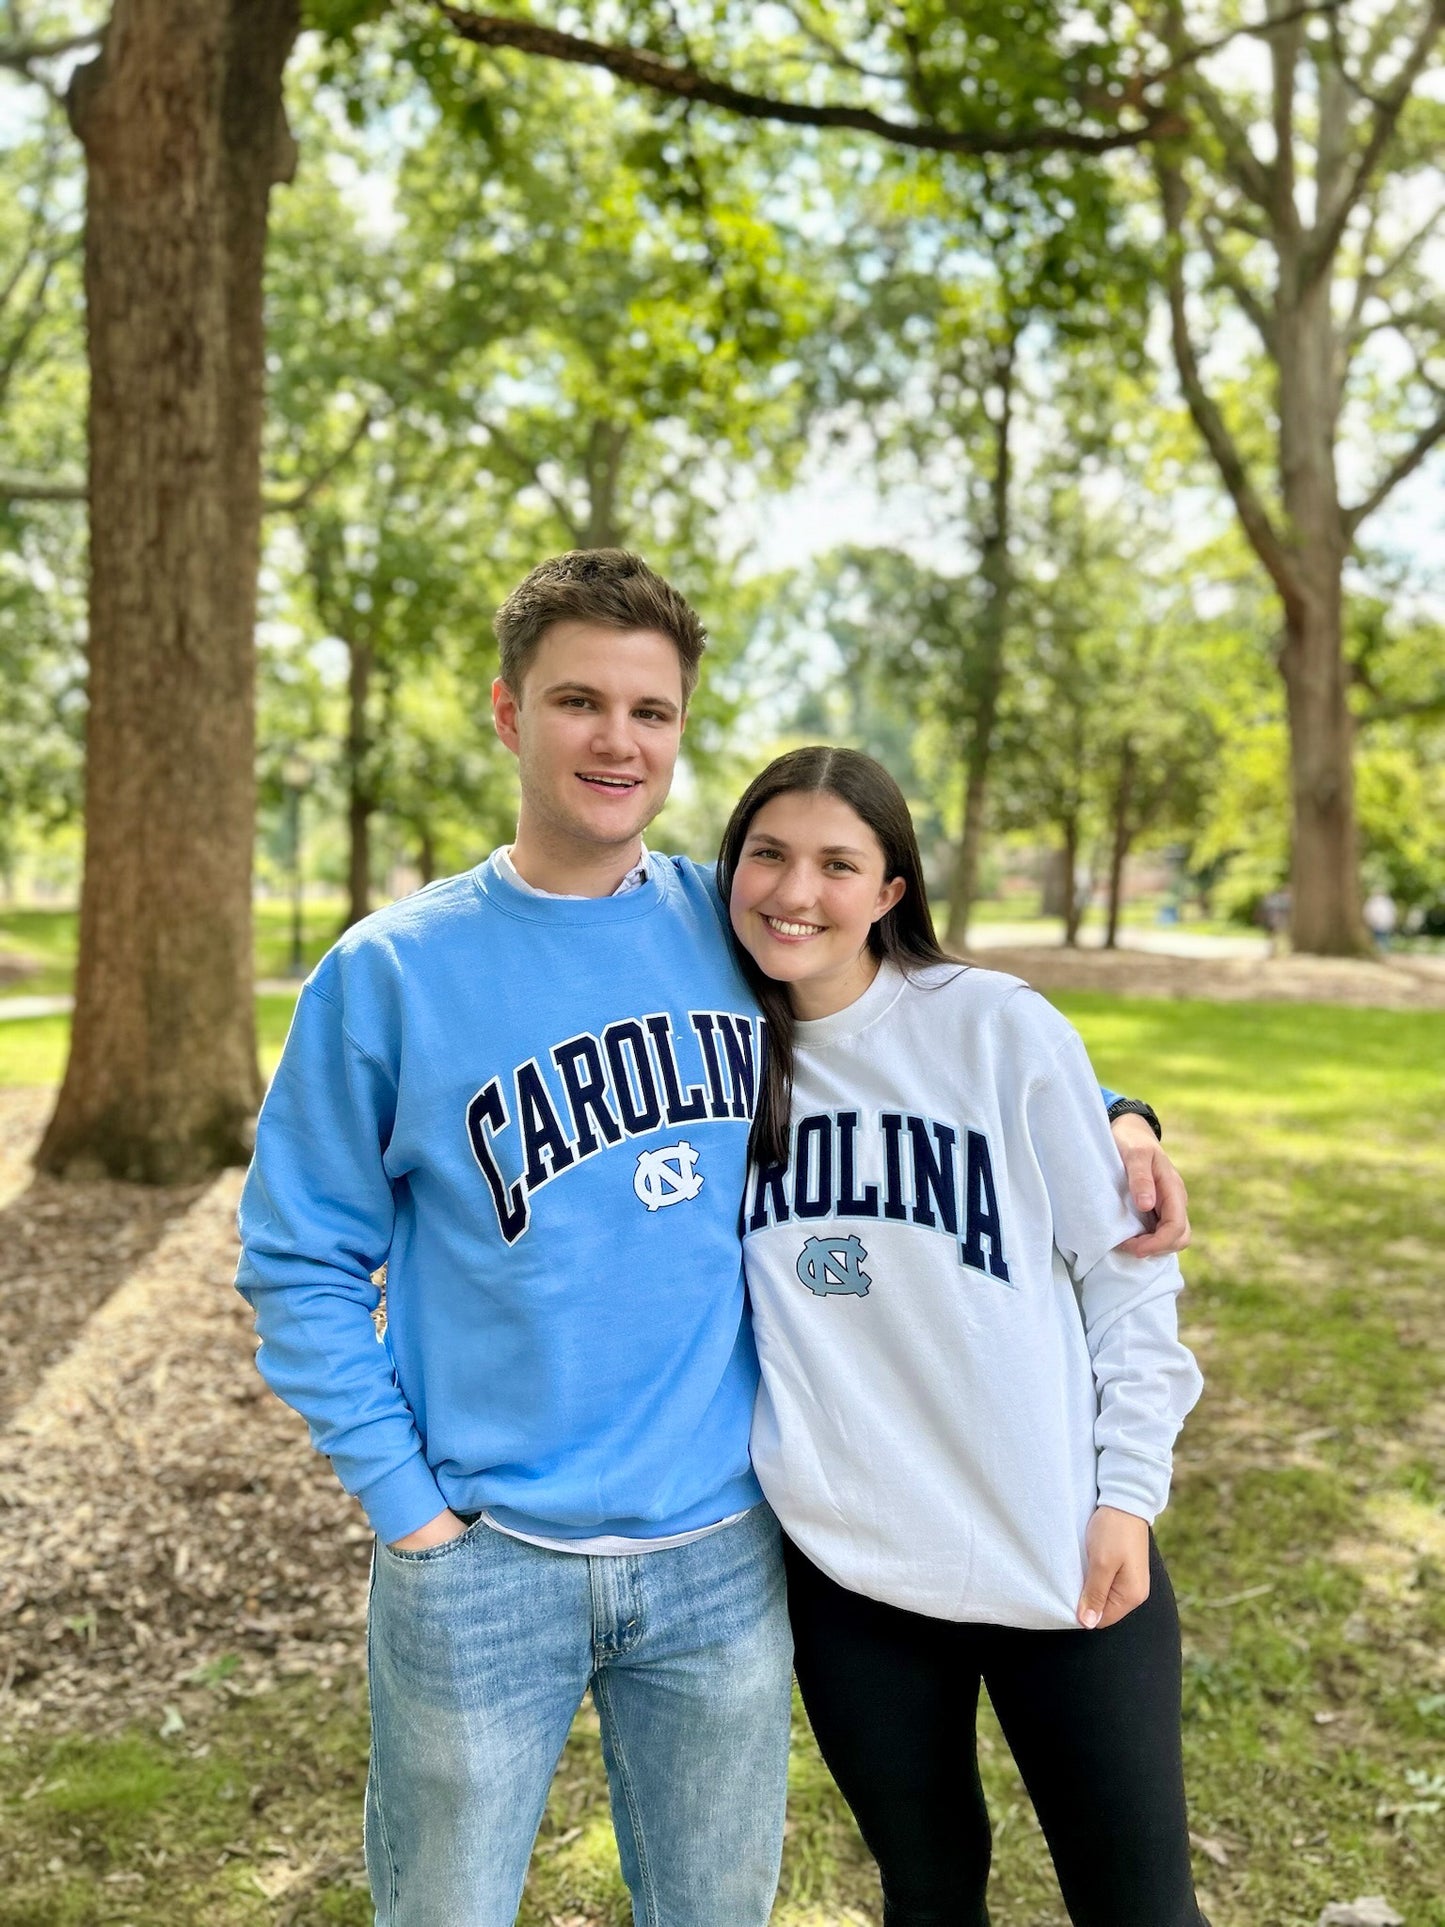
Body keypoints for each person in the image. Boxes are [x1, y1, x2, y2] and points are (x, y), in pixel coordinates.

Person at [234, 551, 1191, 1927]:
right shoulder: (390, 972)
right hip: (482, 1553)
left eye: (651, 709)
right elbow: (298, 1260)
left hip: (719, 1552)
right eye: (578, 700)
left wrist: (1114, 1114)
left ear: (680, 730)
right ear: (509, 715)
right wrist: (409, 1507)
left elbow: (913, 1032)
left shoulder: (733, 918)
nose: (616, 738)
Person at [718, 744, 1208, 1927]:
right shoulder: (710, 1056)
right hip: (854, 1576)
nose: (795, 891)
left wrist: (1125, 1495)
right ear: (726, 870)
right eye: (768, 855)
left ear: (891, 891)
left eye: (839, 863)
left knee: (1139, 1907)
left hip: (1059, 1551)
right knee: (926, 1897)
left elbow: (1128, 1278)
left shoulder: (992, 1026)